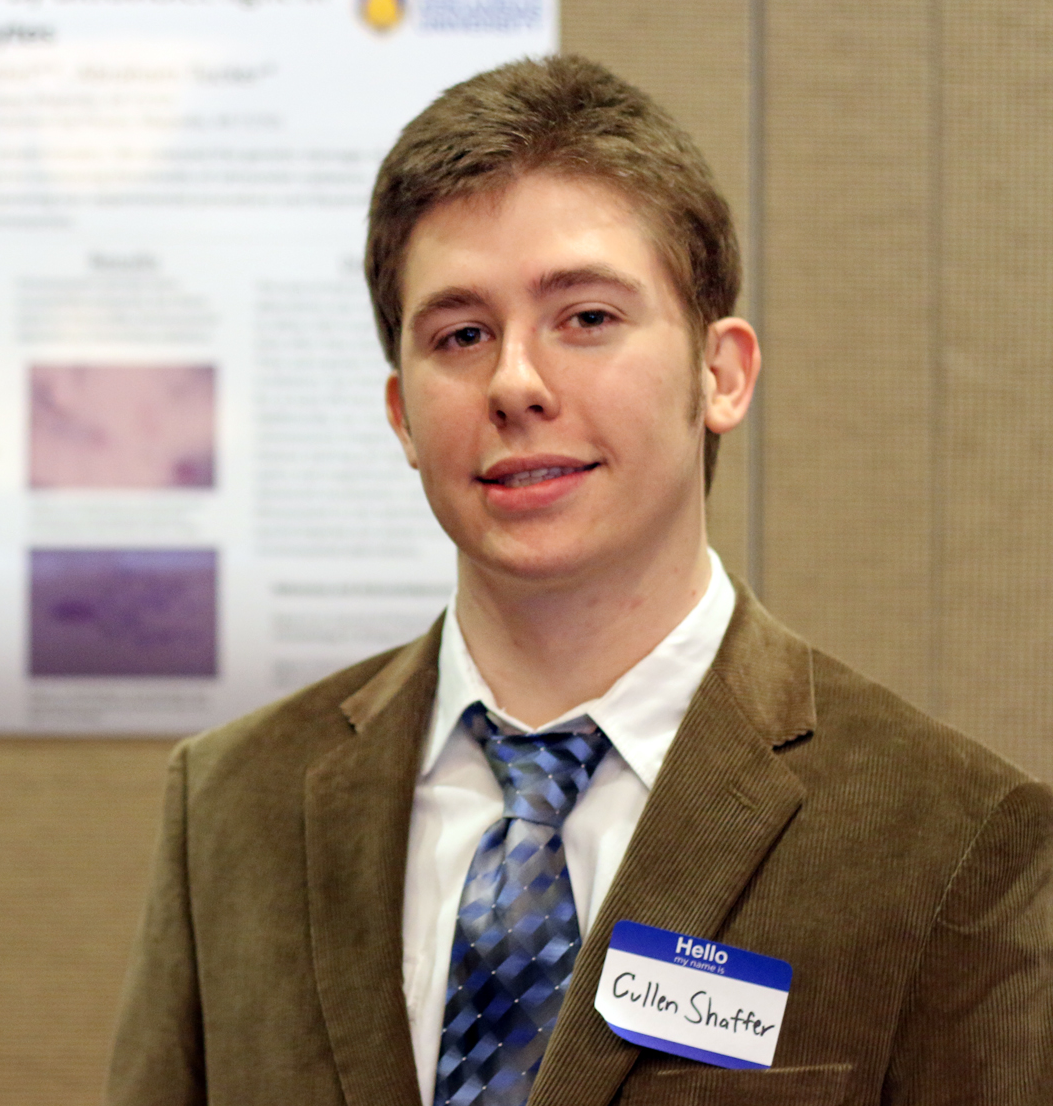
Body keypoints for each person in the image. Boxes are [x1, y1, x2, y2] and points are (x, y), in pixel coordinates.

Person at [105, 55, 1053, 1106]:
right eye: (462, 335)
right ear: (402, 415)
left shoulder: (956, 841)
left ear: (721, 374)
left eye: (588, 318)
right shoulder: (232, 806)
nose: (516, 382)